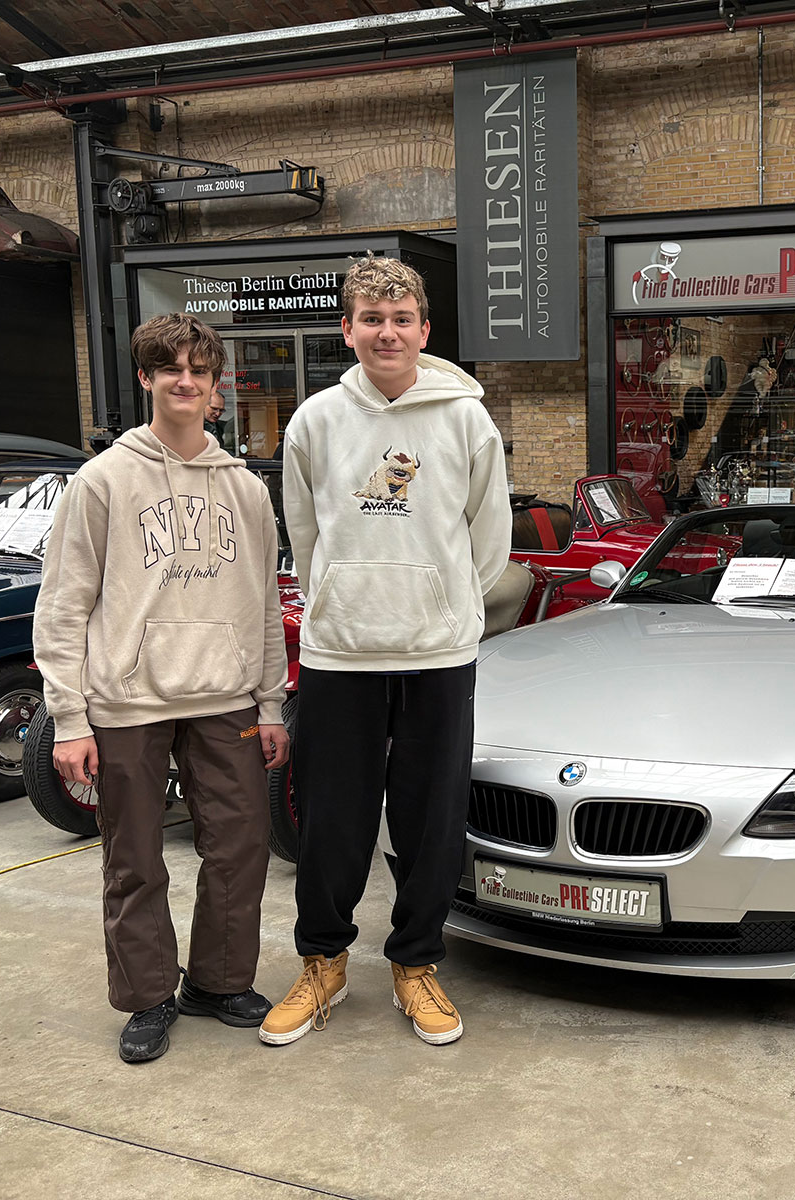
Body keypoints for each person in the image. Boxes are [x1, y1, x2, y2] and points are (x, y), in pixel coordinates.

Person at [261, 256, 510, 1048]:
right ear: (348, 329)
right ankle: (323, 962)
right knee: (331, 820)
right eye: (371, 319)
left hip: (437, 650)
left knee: (431, 819)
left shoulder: (467, 421)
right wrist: (339, 599)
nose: (387, 333)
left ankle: (416, 963)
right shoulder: (315, 421)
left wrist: (445, 605)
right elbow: (304, 534)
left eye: (401, 320)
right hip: (342, 650)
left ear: (424, 330)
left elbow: (489, 538)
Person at [33, 312, 291, 1063]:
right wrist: (69, 718)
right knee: (135, 857)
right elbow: (64, 605)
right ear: (145, 378)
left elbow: (263, 604)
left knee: (240, 845)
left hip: (226, 697)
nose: (185, 381)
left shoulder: (245, 489)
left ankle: (218, 981)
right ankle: (148, 997)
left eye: (198, 371)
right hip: (127, 702)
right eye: (170, 368)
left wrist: (271, 702)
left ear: (215, 386)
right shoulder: (102, 482)